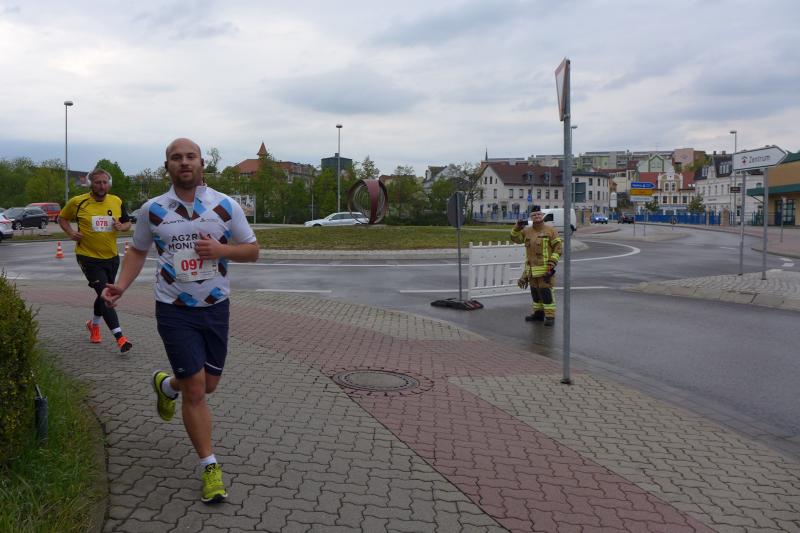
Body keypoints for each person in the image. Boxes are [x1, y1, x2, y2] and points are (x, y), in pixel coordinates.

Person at [102, 138, 260, 504]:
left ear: (202, 164)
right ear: (167, 166)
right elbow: (138, 251)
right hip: (173, 308)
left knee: (208, 385)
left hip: (216, 306)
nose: (184, 162)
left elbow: (252, 251)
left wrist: (221, 250)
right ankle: (210, 467)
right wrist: (121, 286)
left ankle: (166, 386)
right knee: (196, 390)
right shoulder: (153, 210)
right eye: (176, 158)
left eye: (190, 157)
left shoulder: (225, 205)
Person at [58, 168, 133, 352]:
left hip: (111, 257)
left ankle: (94, 325)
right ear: (91, 184)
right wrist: (71, 233)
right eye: (98, 182)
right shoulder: (78, 202)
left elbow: (127, 223)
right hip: (88, 257)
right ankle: (120, 338)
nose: (102, 186)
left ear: (109, 184)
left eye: (105, 182)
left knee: (102, 294)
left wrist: (121, 226)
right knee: (105, 293)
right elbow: (62, 218)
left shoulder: (116, 201)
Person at [510, 205, 563, 326]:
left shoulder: (550, 230)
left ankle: (550, 316)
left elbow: (558, 248)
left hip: (545, 269)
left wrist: (552, 263)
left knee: (545, 292)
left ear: (542, 215)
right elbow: (515, 239)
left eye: (539, 214)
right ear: (531, 217)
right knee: (535, 292)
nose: (537, 216)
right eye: (534, 215)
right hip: (531, 270)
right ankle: (538, 314)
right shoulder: (527, 231)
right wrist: (517, 227)